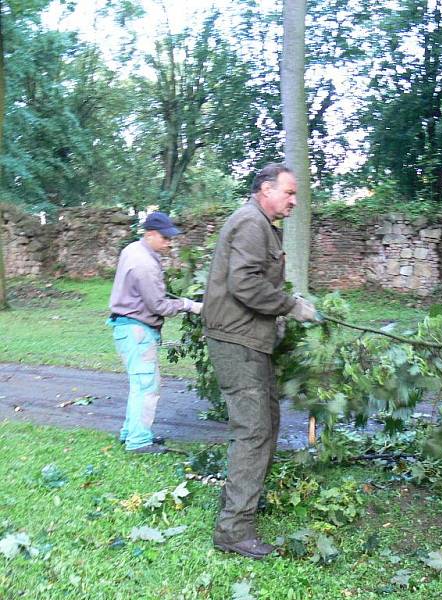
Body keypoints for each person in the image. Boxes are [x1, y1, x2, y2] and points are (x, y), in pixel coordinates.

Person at [202, 163, 318, 559]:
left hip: (250, 338)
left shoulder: (263, 225)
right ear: (265, 189)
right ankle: (233, 530)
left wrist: (276, 319)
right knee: (253, 430)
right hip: (237, 342)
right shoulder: (251, 223)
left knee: (266, 424)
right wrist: (288, 306)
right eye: (289, 193)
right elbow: (245, 282)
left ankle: (244, 506)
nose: (294, 201)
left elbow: (253, 284)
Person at [108, 211, 203, 454]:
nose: (169, 242)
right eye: (165, 238)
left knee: (140, 383)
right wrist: (189, 305)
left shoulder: (132, 249)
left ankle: (131, 433)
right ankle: (138, 442)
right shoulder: (145, 263)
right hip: (137, 330)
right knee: (147, 385)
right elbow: (159, 305)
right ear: (149, 234)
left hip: (126, 327)